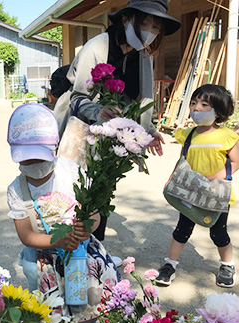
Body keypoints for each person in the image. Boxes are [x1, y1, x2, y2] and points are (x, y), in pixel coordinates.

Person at [53, 0, 181, 249]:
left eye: (156, 27)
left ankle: (94, 251)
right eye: (144, 23)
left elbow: (144, 99)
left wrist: (147, 131)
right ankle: (65, 249)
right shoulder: (98, 46)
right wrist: (99, 111)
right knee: (73, 191)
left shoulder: (143, 55)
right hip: (81, 128)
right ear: (126, 19)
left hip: (113, 136)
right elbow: (77, 97)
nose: (150, 32)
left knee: (102, 191)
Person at [6, 103, 119, 323]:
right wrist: (58, 240)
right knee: (49, 313)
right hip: (41, 261)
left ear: (54, 148)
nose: (34, 165)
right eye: (28, 161)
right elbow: (26, 235)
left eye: (39, 157)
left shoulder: (71, 171)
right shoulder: (17, 189)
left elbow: (95, 212)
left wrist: (88, 226)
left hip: (80, 256)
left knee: (87, 306)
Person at [155, 84, 239, 288]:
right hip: (190, 192)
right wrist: (172, 178)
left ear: (218, 111)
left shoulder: (226, 136)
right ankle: (170, 265)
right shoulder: (189, 135)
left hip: (216, 194)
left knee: (218, 232)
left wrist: (212, 177)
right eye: (193, 103)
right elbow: (182, 160)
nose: (196, 109)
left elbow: (235, 162)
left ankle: (227, 265)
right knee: (182, 228)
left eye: (204, 104)